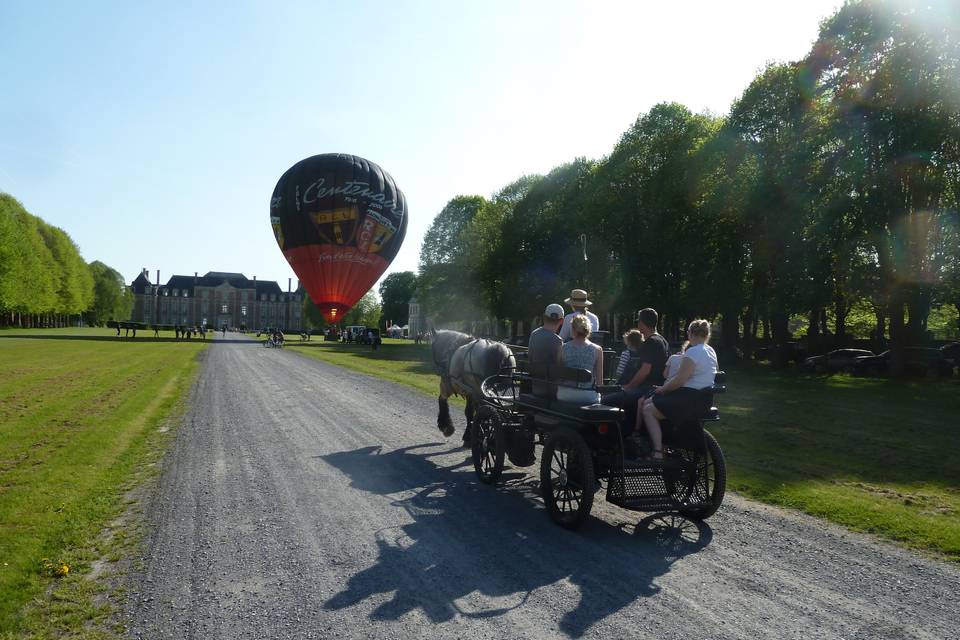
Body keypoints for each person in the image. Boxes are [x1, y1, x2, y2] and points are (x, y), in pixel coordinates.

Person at [640, 319, 719, 459]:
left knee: (647, 409)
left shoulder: (693, 352)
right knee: (649, 403)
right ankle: (665, 442)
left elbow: (679, 381)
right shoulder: (711, 351)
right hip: (705, 398)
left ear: (690, 333)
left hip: (689, 399)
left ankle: (658, 451)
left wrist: (662, 389)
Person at [601, 308, 669, 437]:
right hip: (656, 388)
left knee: (607, 400)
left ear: (642, 323)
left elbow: (644, 371)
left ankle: (620, 436)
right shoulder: (663, 341)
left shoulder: (651, 342)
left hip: (647, 388)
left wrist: (628, 386)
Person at [557, 314, 603, 404]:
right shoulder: (597, 349)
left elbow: (558, 373)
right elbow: (599, 382)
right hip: (587, 396)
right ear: (588, 330)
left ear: (573, 329)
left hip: (565, 394)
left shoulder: (562, 348)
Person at [527, 303, 564, 397]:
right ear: (561, 321)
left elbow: (530, 358)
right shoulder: (558, 341)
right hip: (552, 391)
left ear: (544, 317)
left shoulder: (534, 334)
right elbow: (560, 367)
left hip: (535, 388)